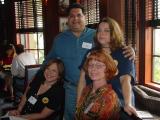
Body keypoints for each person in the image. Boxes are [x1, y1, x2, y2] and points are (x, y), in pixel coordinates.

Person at [41, 3, 135, 120]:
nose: (75, 19)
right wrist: (36, 82)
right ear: (67, 19)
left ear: (85, 17)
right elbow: (49, 62)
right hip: (75, 90)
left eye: (79, 15)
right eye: (71, 16)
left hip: (111, 97)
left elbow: (125, 78)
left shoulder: (99, 38)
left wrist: (131, 50)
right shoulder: (62, 40)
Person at [77, 17, 137, 116]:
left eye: (106, 31)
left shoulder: (124, 53)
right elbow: (82, 80)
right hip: (93, 104)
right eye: (99, 30)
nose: (101, 33)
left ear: (114, 33)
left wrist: (128, 103)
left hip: (118, 104)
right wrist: (79, 104)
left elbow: (125, 80)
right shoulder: (91, 53)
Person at [75, 49, 120, 120]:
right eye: (90, 65)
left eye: (98, 66)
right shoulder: (86, 89)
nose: (93, 69)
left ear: (107, 69)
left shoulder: (109, 97)